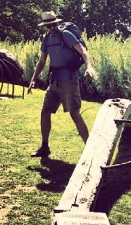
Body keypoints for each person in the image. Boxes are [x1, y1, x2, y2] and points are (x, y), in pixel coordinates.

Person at [28, 11, 98, 157]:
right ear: (45, 27)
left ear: (57, 23)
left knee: (74, 113)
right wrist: (33, 79)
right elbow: (42, 61)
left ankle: (91, 150)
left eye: (54, 24)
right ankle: (45, 147)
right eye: (48, 26)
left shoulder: (66, 35)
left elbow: (83, 51)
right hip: (54, 81)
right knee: (45, 111)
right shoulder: (46, 39)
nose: (52, 28)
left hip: (70, 80)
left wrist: (89, 66)